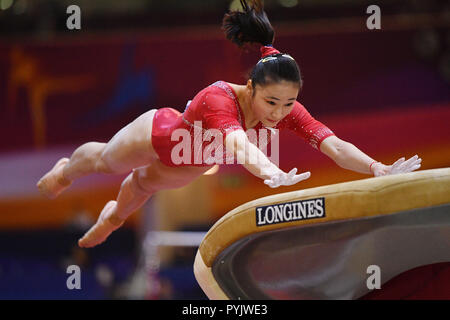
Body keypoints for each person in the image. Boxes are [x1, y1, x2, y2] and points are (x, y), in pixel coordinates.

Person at [36, 0, 421, 248]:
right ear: (250, 87)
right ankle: (66, 170)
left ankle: (111, 219)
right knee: (107, 162)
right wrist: (270, 169)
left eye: (288, 103)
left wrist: (376, 166)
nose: (278, 112)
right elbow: (239, 147)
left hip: (189, 162)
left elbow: (333, 145)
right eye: (271, 102)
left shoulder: (287, 110)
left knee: (136, 192)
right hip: (160, 133)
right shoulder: (219, 98)